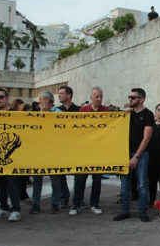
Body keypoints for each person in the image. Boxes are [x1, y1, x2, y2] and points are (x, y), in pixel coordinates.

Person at [113, 88, 153, 222]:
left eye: (133, 98)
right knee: (124, 184)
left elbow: (146, 138)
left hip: (141, 154)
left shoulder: (148, 115)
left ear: (141, 100)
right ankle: (125, 211)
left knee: (142, 184)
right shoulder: (127, 114)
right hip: (124, 153)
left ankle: (142, 211)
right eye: (129, 97)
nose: (130, 99)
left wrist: (136, 156)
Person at [70, 87, 108, 216]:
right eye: (97, 97)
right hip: (85, 151)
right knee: (80, 179)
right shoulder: (83, 111)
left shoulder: (106, 111)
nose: (99, 99)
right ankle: (76, 204)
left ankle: (94, 204)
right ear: (91, 97)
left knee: (97, 179)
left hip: (98, 151)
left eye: (101, 97)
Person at [0, 88, 23, 222]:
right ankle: (3, 207)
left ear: (7, 98)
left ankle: (15, 209)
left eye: (1, 97)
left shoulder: (16, 115)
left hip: (13, 156)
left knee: (12, 183)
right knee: (0, 183)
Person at [31, 91, 65, 215]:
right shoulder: (38, 114)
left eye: (40, 99)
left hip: (53, 151)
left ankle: (55, 204)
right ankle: (35, 204)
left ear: (47, 100)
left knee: (55, 179)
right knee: (37, 178)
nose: (39, 101)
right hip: (39, 151)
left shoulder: (59, 113)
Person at [55, 86, 78, 208]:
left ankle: (77, 199)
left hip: (75, 147)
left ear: (69, 95)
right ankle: (64, 197)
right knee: (60, 174)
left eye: (61, 93)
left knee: (79, 174)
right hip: (61, 147)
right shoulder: (56, 111)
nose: (59, 95)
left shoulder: (80, 110)